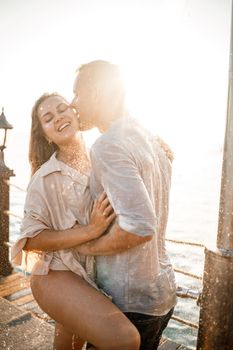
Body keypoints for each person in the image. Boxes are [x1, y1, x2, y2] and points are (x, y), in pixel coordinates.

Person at [11, 93, 141, 350]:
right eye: (48, 118)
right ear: (46, 135)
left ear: (76, 114)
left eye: (62, 109)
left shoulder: (103, 158)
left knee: (68, 344)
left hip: (90, 273)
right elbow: (31, 240)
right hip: (55, 275)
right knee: (125, 340)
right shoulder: (44, 179)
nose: (58, 117)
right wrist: (91, 230)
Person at [71, 60, 177, 350]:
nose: (73, 103)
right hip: (160, 296)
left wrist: (87, 247)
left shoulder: (108, 145)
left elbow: (140, 228)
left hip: (127, 304)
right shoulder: (149, 138)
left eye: (77, 94)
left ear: (95, 93)